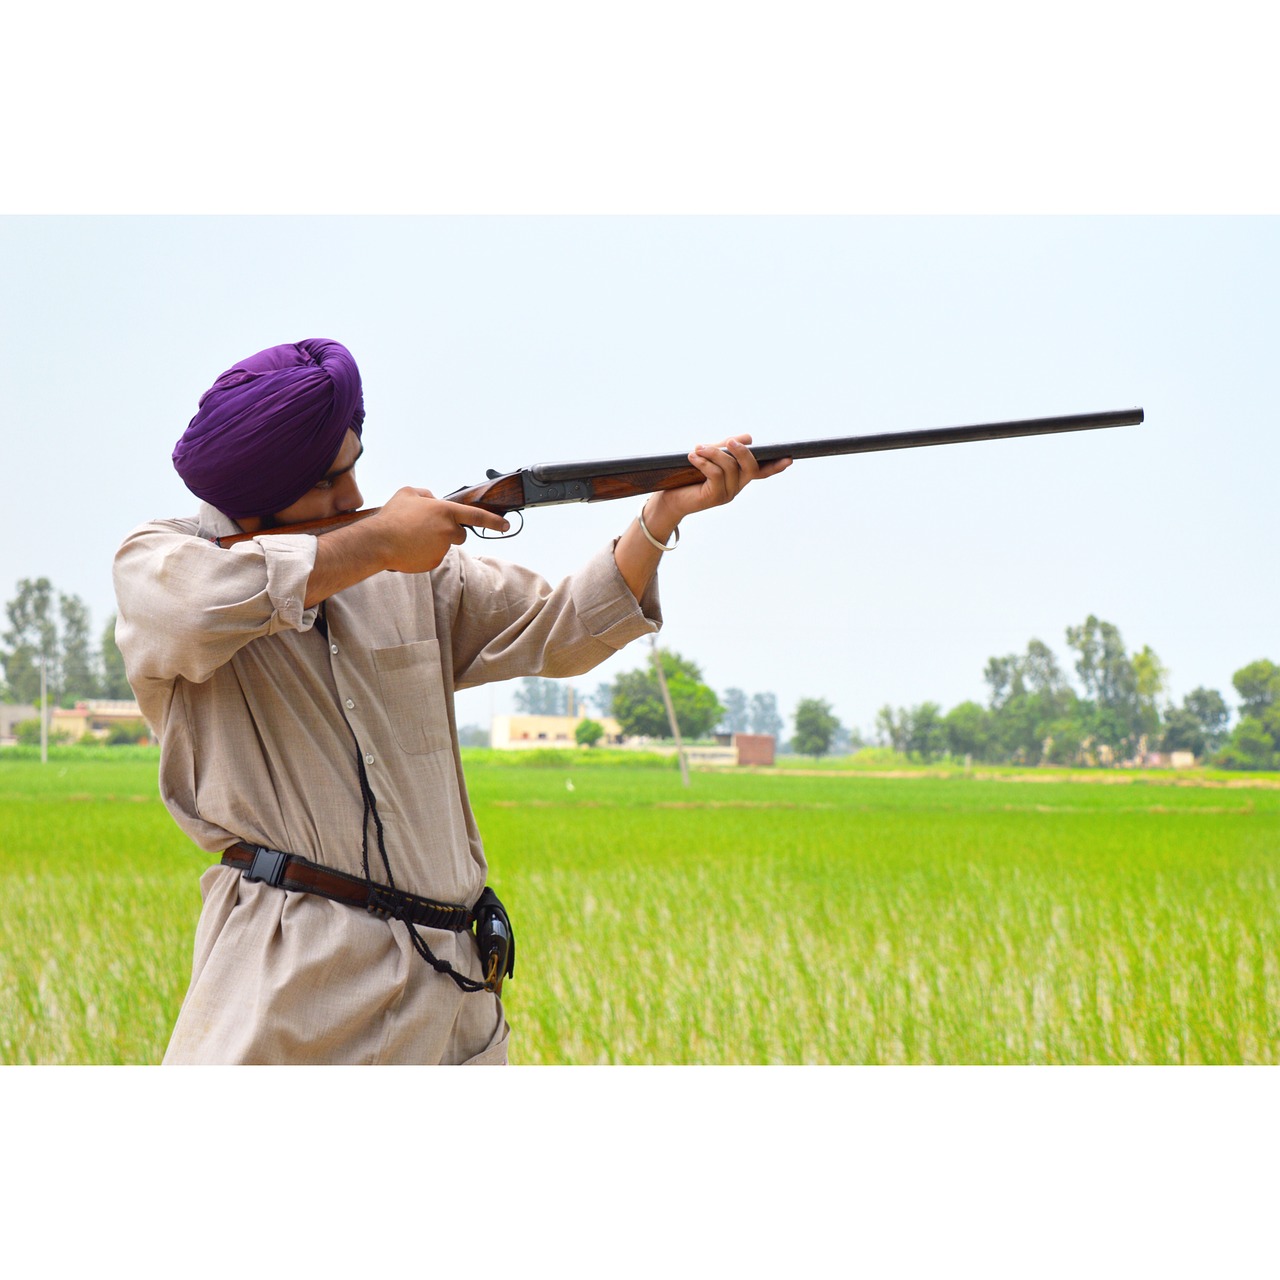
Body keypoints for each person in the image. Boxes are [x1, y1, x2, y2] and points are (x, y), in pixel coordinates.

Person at [114, 337, 789, 1065]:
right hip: (291, 987)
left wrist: (659, 518)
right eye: (326, 483)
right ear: (254, 493)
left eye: (354, 472)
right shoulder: (162, 565)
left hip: (451, 985)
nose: (351, 498)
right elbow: (191, 607)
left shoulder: (411, 570)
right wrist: (379, 543)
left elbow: (560, 628)